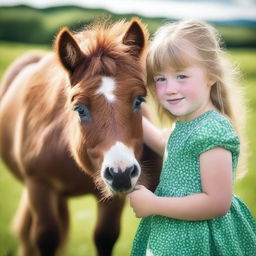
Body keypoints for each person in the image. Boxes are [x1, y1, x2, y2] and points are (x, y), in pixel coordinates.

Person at [127, 19, 256, 256]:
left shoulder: (213, 130)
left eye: (182, 76)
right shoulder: (188, 124)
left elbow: (217, 203)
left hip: (198, 242)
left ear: (211, 75)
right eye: (160, 79)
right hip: (171, 235)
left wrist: (154, 204)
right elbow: (170, 146)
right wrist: (127, 113)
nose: (169, 89)